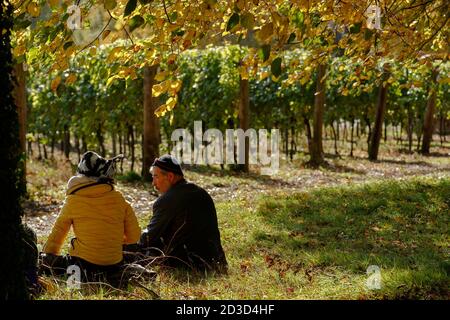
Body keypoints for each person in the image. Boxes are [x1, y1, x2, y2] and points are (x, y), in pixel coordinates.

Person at [40, 151, 141, 285]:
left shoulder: (73, 201)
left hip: (82, 267)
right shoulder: (120, 200)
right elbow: (134, 237)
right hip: (114, 265)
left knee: (43, 260)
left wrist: (48, 256)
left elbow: (57, 233)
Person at [139, 155, 227, 273]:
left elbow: (148, 238)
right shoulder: (201, 193)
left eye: (156, 177)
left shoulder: (167, 200)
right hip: (216, 262)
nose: (153, 183)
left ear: (170, 176)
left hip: (187, 266)